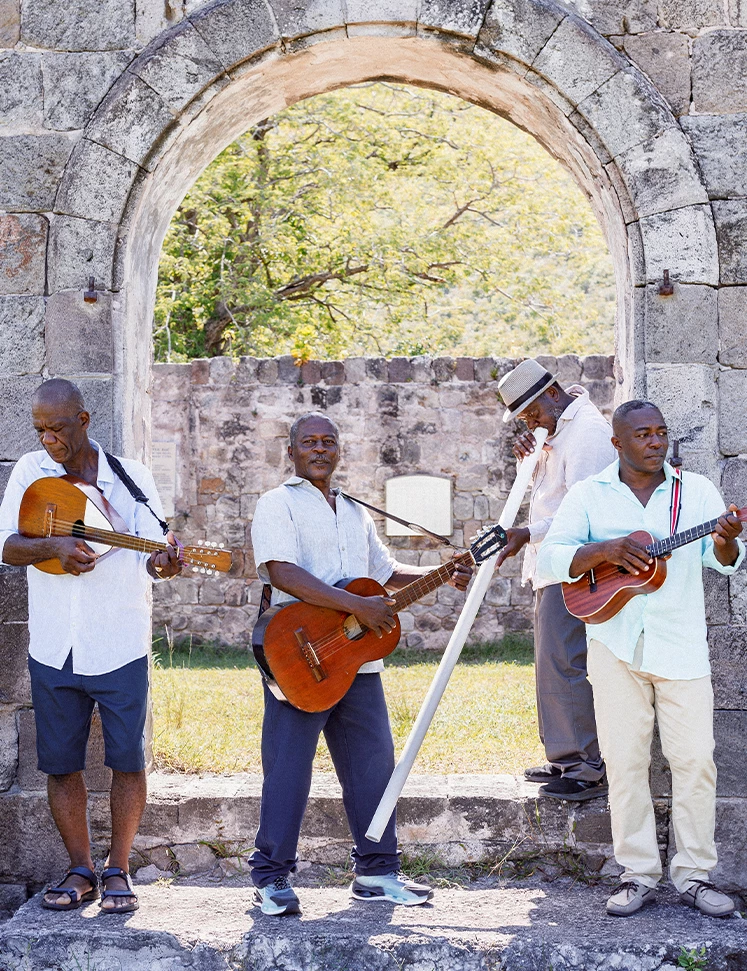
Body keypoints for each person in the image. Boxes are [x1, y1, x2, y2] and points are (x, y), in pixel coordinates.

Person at [249, 411, 472, 916]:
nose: (321, 449)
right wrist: (355, 606)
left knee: (374, 769)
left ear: (339, 450)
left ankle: (377, 872)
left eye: (329, 441)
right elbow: (282, 572)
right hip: (298, 657)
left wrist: (442, 574)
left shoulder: (354, 511)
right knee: (288, 770)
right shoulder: (277, 504)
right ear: (292, 451)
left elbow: (385, 573)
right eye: (310, 442)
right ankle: (270, 878)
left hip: (355, 663)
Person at [536, 400, 742, 918]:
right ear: (618, 443)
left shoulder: (695, 493)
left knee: (695, 762)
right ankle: (638, 875)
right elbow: (553, 556)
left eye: (661, 433)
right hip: (613, 645)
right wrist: (606, 552)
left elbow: (723, 564)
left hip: (681, 646)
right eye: (643, 434)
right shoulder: (589, 494)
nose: (655, 442)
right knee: (626, 764)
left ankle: (694, 877)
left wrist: (727, 540)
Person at [0, 379, 182, 913]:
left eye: (56, 428)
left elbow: (154, 556)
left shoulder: (132, 477)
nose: (47, 439)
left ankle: (119, 868)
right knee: (61, 764)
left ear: (82, 419)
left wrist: (164, 563)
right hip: (55, 641)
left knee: (127, 760)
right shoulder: (32, 472)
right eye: (38, 429)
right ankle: (80, 869)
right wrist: (54, 544)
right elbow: (8, 546)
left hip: (118, 638)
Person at [495, 359, 615, 800]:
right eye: (524, 419)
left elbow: (584, 515)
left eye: (532, 414)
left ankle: (584, 768)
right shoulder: (559, 431)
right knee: (551, 662)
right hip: (548, 566)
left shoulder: (587, 435)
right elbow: (550, 496)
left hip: (573, 567)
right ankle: (563, 757)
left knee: (566, 663)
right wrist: (534, 455)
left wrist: (526, 535)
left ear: (551, 393)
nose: (531, 422)